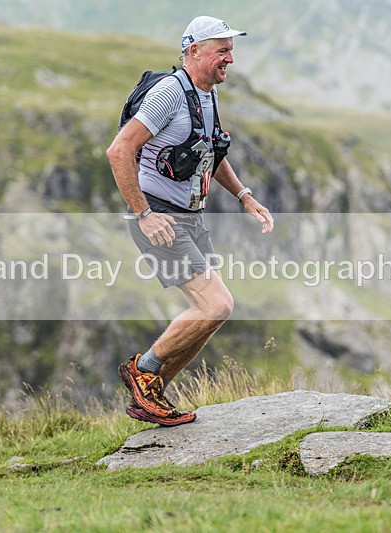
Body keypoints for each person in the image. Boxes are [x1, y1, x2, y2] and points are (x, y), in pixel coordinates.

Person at [106, 15, 274, 426]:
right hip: (162, 218)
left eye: (231, 50)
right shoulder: (168, 94)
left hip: (191, 217)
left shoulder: (207, 94)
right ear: (194, 51)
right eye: (222, 50)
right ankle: (143, 372)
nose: (230, 59)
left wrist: (244, 195)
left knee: (213, 313)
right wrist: (144, 215)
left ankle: (152, 396)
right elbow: (118, 151)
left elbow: (210, 153)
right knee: (215, 305)